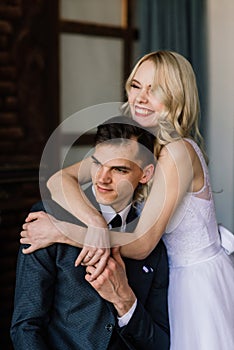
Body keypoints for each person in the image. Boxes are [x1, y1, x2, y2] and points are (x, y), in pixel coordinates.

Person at [20, 50, 234, 350]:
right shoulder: (137, 146)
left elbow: (143, 243)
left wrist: (61, 231)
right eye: (136, 85)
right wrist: (94, 222)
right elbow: (58, 180)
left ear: (177, 96)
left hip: (193, 287)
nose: (141, 97)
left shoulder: (178, 152)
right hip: (166, 280)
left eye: (155, 89)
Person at [11, 116, 170, 350]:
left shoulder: (151, 242)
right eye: (97, 164)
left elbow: (160, 343)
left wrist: (124, 300)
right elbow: (26, 326)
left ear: (145, 175)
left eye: (119, 169)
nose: (102, 178)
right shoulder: (46, 221)